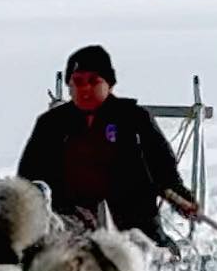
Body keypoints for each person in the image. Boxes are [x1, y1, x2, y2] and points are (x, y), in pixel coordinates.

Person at [15, 44, 200, 252]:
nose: (84, 88)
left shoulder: (134, 118)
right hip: (69, 218)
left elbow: (163, 169)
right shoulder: (51, 124)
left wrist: (181, 199)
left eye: (93, 81)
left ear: (109, 84)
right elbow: (28, 179)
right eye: (77, 82)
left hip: (133, 219)